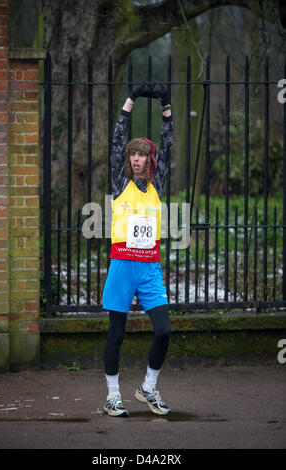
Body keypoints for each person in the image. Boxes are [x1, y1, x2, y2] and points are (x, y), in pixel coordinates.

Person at [102, 82, 173, 417]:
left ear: (149, 159)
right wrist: (129, 99)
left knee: (164, 330)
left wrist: (167, 109)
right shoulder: (121, 182)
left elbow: (169, 147)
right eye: (133, 154)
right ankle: (113, 396)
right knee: (117, 333)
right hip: (122, 265)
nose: (135, 158)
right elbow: (117, 141)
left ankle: (148, 388)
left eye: (142, 154)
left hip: (148, 267)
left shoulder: (157, 185)